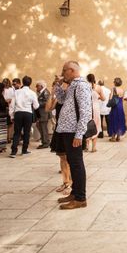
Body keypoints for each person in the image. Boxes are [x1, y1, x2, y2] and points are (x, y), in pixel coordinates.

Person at [53, 61, 92, 210]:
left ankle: (80, 198)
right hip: (66, 130)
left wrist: (79, 134)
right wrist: (57, 85)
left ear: (71, 70)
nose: (62, 74)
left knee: (76, 164)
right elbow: (62, 100)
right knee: (72, 162)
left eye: (64, 71)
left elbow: (85, 112)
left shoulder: (81, 86)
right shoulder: (73, 86)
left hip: (73, 131)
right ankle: (75, 193)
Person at [47, 78, 72, 195]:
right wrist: (52, 94)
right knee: (62, 157)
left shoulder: (69, 99)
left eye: (62, 85)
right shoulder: (58, 99)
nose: (61, 87)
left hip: (68, 130)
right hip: (59, 129)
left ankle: (71, 183)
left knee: (69, 158)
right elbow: (48, 108)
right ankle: (65, 181)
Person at [10, 76, 39, 158]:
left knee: (17, 132)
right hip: (28, 114)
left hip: (18, 113)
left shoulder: (16, 92)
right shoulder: (32, 93)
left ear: (22, 82)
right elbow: (36, 106)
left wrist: (11, 115)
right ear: (30, 83)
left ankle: (13, 151)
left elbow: (12, 105)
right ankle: (24, 150)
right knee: (27, 132)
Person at [86, 74, 102, 152]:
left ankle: (86, 146)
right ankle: (94, 147)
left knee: (86, 125)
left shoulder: (85, 87)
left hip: (87, 108)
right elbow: (103, 98)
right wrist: (97, 97)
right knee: (96, 125)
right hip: (95, 108)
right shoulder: (98, 87)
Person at [108, 77, 126, 142]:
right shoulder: (122, 90)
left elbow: (110, 98)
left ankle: (113, 137)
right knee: (120, 120)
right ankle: (118, 137)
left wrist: (110, 96)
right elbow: (122, 99)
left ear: (115, 82)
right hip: (120, 106)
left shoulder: (113, 89)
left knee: (113, 120)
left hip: (115, 107)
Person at [35, 80, 52, 149]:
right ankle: (45, 141)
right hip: (41, 113)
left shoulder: (45, 92)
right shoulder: (42, 92)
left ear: (41, 86)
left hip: (44, 113)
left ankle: (45, 143)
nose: (36, 88)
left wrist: (37, 103)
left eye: (37, 86)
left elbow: (46, 102)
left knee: (43, 128)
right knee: (41, 127)